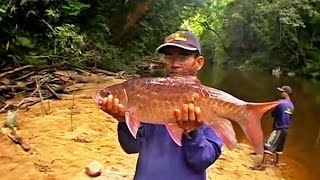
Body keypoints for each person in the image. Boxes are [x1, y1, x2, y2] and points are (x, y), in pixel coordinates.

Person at [99, 30, 223, 180]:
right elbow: (131, 147)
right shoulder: (149, 95)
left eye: (183, 57)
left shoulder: (211, 102)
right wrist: (123, 120)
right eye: (168, 56)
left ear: (199, 63)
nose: (174, 64)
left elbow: (203, 160)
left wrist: (192, 132)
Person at [252, 85, 294, 171]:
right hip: (285, 129)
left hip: (278, 127)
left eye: (282, 91)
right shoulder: (291, 105)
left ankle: (263, 165)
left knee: (268, 145)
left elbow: (273, 114)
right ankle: (277, 163)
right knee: (279, 146)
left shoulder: (280, 103)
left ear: (286, 93)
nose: (280, 93)